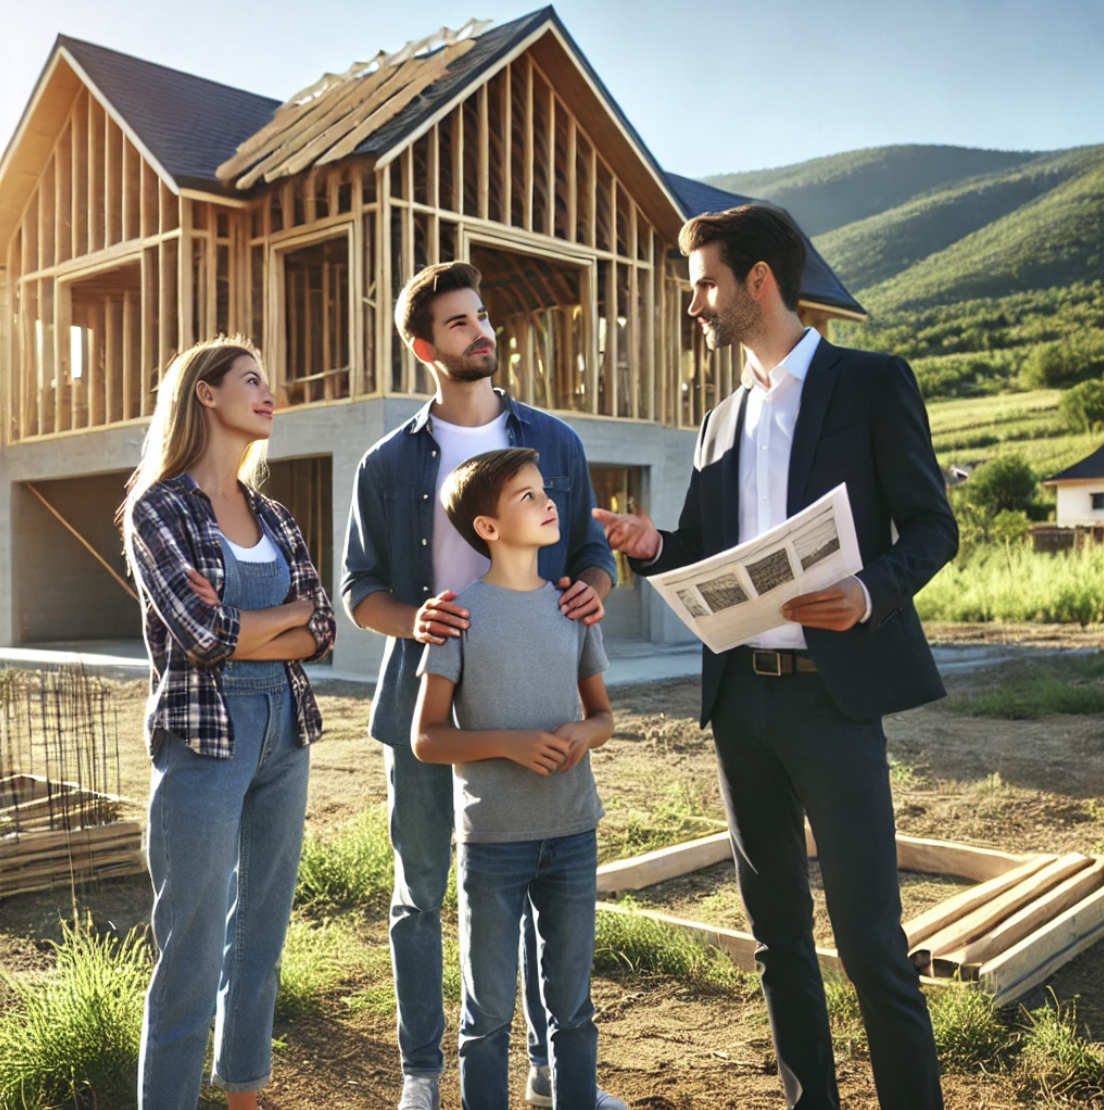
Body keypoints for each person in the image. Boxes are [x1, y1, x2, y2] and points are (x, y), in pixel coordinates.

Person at [595, 205, 958, 1110]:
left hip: (833, 702)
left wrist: (870, 590)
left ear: (759, 280)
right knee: (777, 941)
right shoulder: (718, 420)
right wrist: (653, 543)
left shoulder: (870, 384)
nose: (696, 306)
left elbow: (933, 526)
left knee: (871, 938)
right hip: (740, 708)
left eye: (705, 285)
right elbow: (712, 556)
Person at [340, 262, 617, 1110]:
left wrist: (594, 590)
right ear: (425, 347)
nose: (481, 332)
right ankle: (423, 1074)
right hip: (426, 706)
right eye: (459, 324)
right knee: (421, 893)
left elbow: (593, 555)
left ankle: (547, 1073)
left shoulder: (555, 445)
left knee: (538, 890)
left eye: (483, 317)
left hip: (532, 702)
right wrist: (415, 621)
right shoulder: (387, 463)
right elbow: (359, 591)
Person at [121, 337, 336, 1110]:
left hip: (286, 729)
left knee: (259, 939)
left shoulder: (273, 513)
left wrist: (256, 623)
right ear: (205, 395)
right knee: (191, 945)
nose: (269, 392)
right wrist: (285, 618)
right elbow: (200, 636)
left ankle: (242, 1094)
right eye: (251, 380)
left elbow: (327, 628)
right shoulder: (158, 507)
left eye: (268, 380)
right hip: (204, 740)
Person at [412, 447, 624, 1110]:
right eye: (526, 497)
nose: (547, 502)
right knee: (487, 1015)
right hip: (493, 841)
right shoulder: (456, 615)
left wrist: (583, 735)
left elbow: (604, 715)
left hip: (572, 832)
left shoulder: (574, 607)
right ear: (488, 529)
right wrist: (510, 744)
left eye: (544, 490)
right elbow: (426, 739)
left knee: (573, 1007)